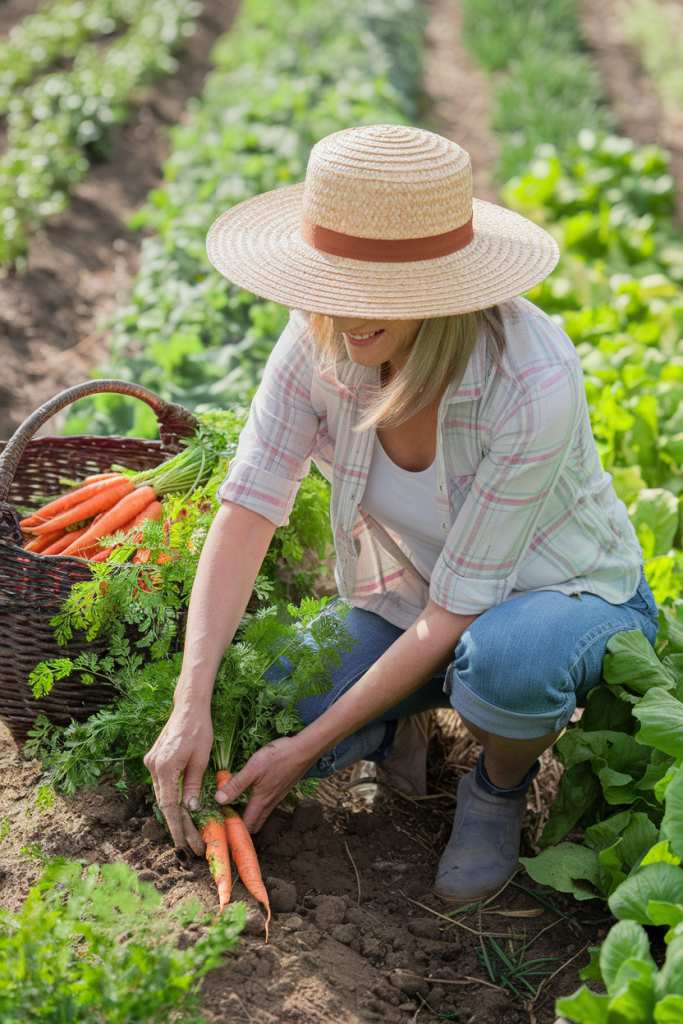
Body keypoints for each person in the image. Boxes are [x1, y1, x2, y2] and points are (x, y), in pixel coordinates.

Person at [144, 124, 659, 902]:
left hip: (564, 598)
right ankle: (401, 714)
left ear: (438, 283)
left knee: (504, 663)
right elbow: (248, 508)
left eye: (372, 288)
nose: (344, 312)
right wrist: (192, 702)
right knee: (276, 687)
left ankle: (496, 782)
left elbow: (462, 608)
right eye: (329, 280)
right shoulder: (316, 337)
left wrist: (305, 751)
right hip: (417, 596)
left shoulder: (529, 379)